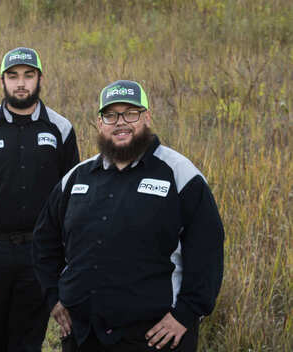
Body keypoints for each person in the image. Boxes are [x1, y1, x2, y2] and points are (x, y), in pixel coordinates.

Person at [34, 80, 225, 351]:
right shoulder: (77, 178)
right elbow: (44, 240)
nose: (120, 122)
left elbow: (208, 251)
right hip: (85, 334)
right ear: (100, 124)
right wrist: (54, 296)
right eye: (110, 115)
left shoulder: (180, 175)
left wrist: (187, 313)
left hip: (155, 337)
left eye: (130, 113)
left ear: (147, 118)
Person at [0, 47, 79, 352]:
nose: (20, 83)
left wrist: (63, 251)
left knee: (28, 336)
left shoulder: (60, 129)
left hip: (38, 251)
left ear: (40, 79)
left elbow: (72, 197)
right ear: (2, 81)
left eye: (28, 75)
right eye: (13, 76)